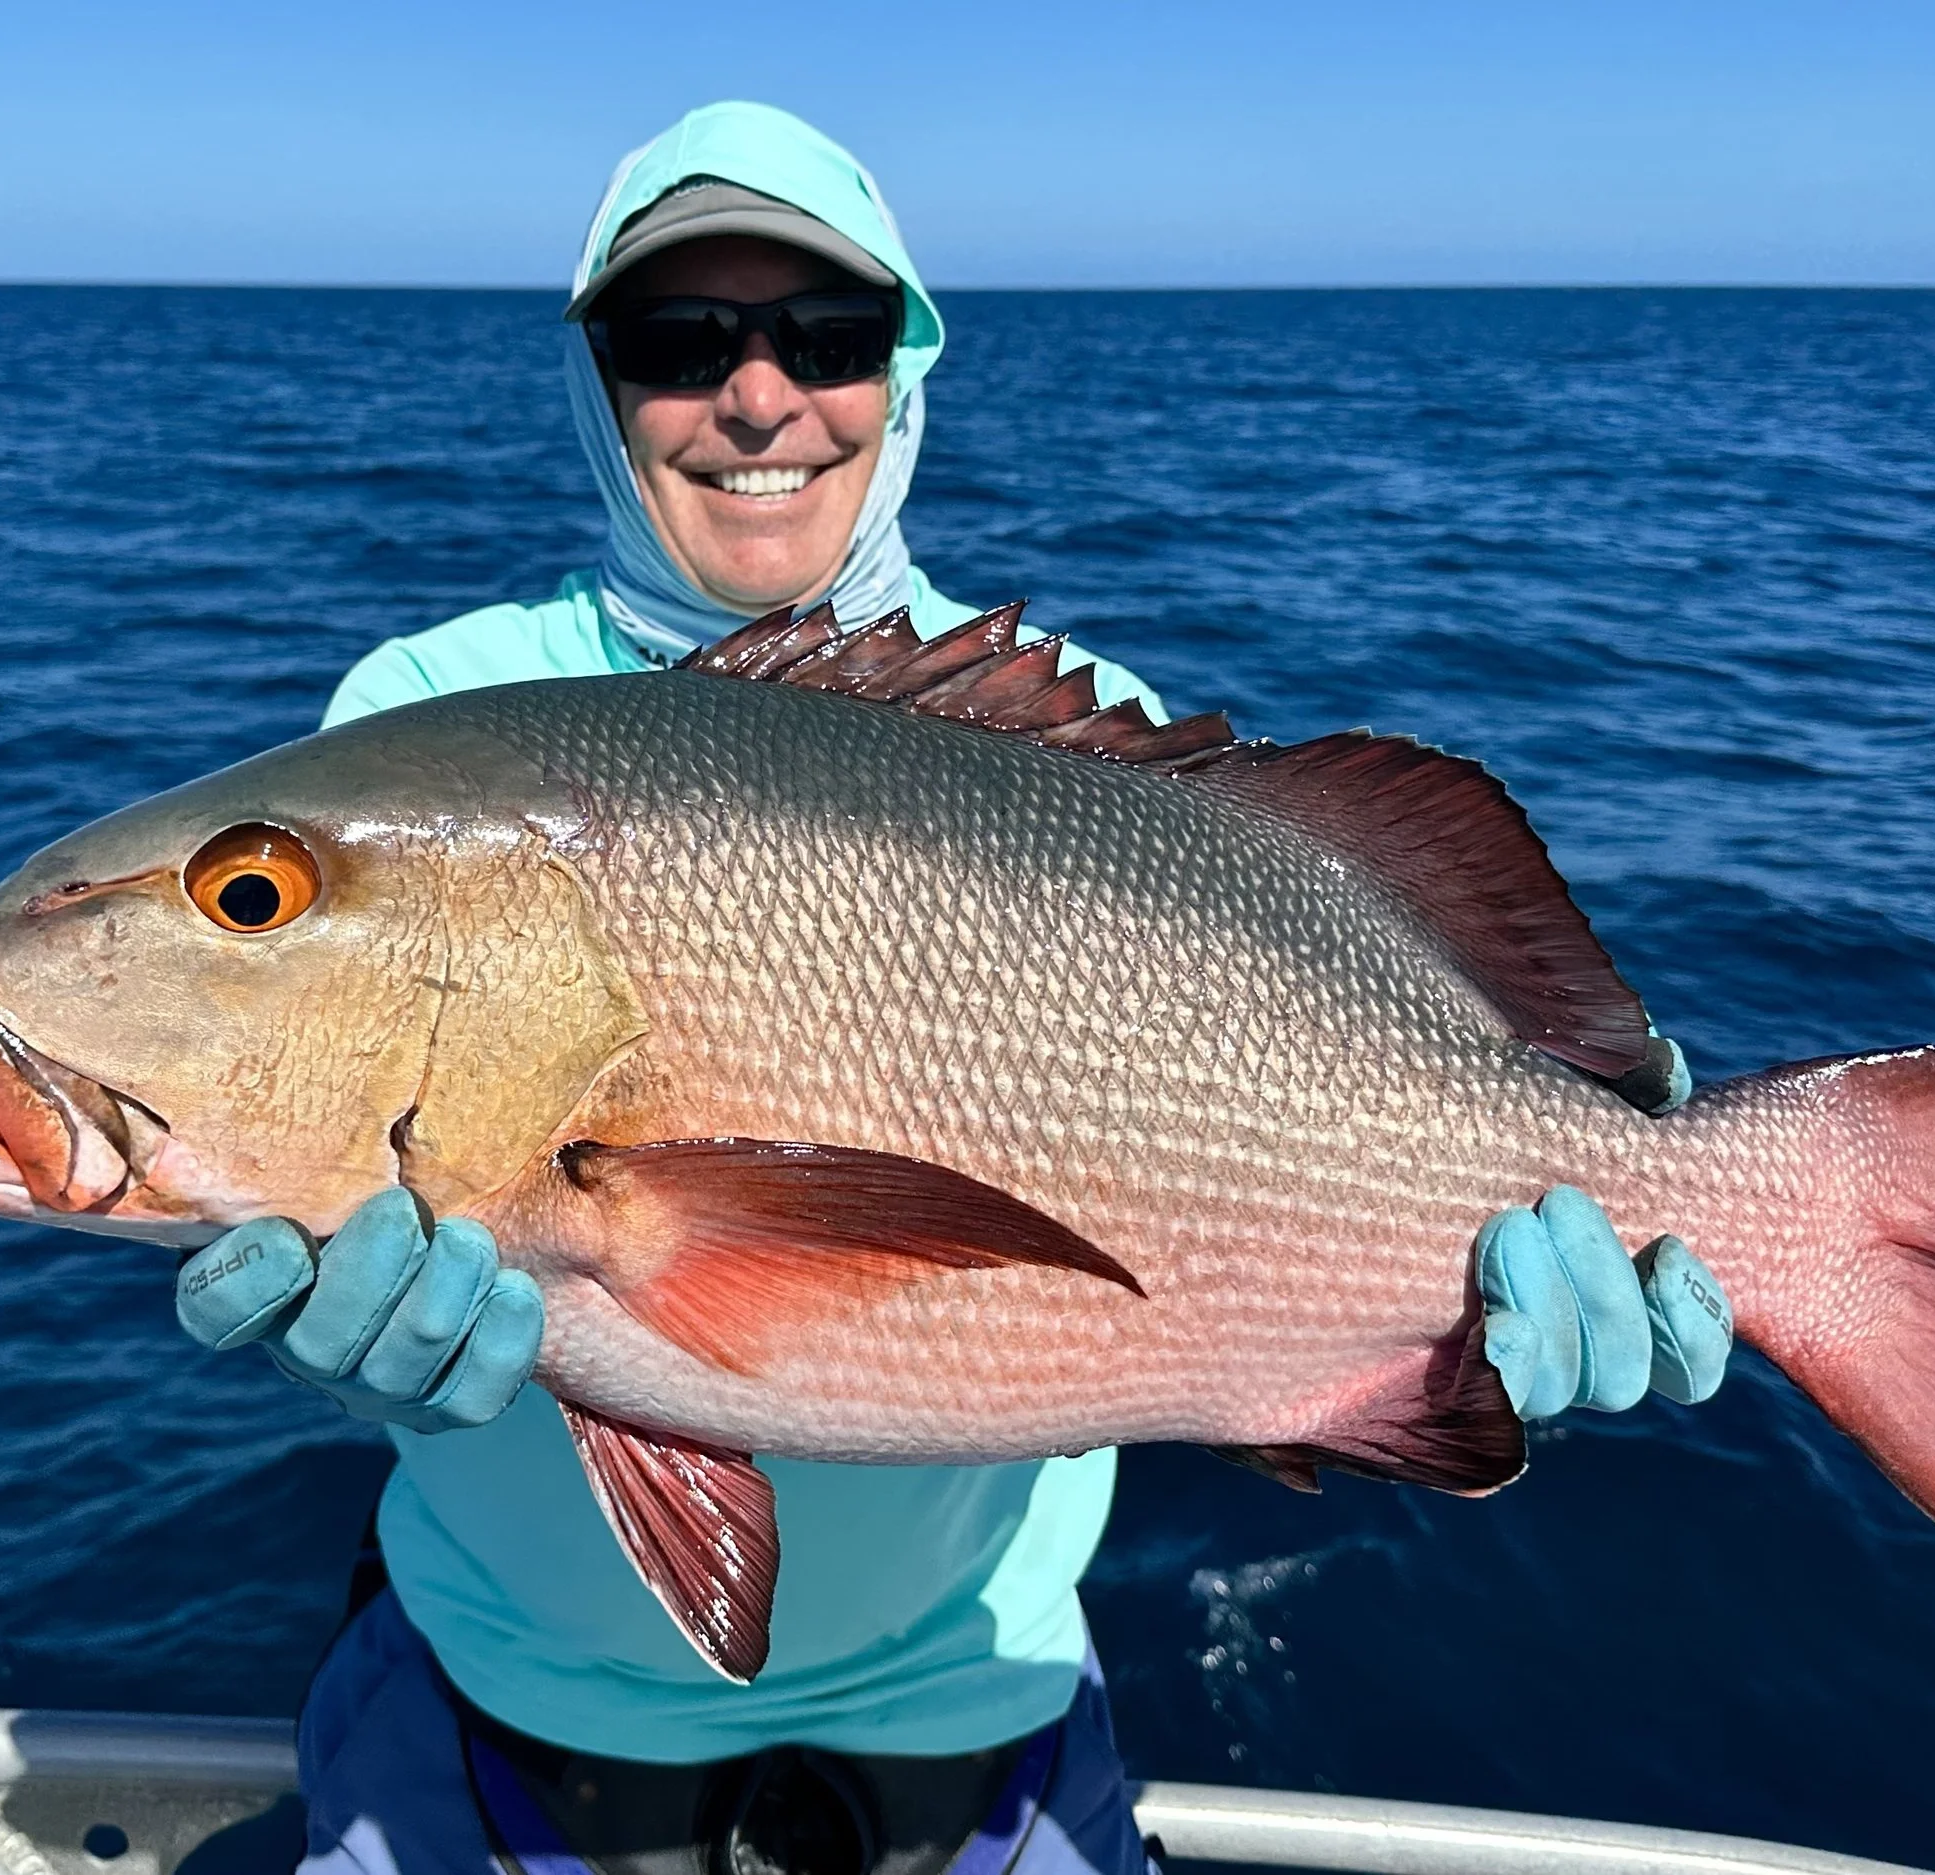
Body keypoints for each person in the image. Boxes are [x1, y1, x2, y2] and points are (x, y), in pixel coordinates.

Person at [174, 102, 1736, 1875]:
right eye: (679, 342)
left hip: (985, 1743)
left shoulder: (1082, 725)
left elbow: (1372, 1015)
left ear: (904, 368)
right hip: (490, 1725)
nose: (758, 399)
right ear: (596, 384)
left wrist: (1610, 1139)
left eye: (826, 338)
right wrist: (352, 1347)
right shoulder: (424, 711)